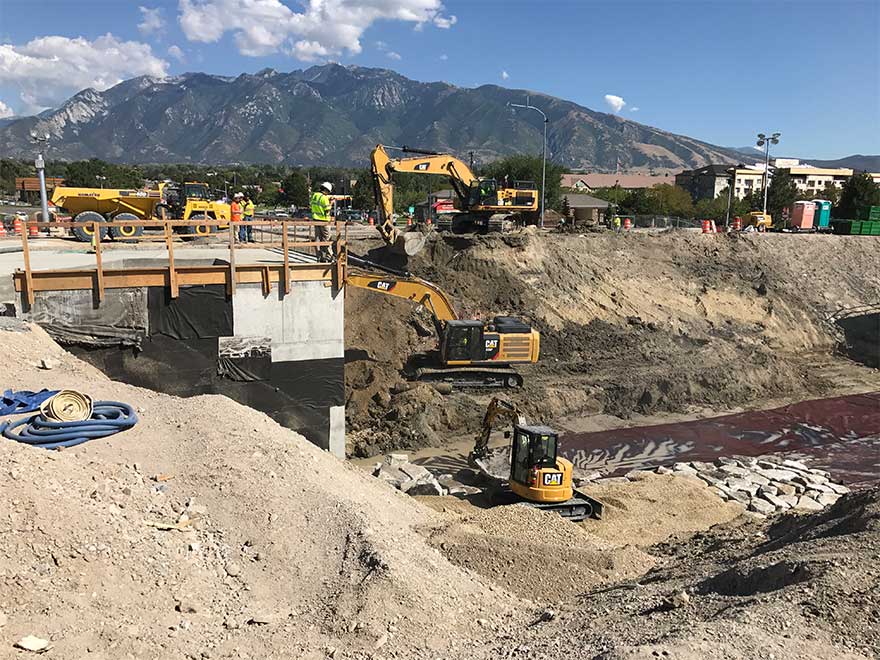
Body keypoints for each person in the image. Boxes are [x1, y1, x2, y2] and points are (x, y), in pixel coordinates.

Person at [310, 181, 334, 262]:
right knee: (327, 239)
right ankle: (329, 256)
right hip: (324, 221)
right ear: (326, 190)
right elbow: (327, 210)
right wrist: (331, 203)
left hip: (315, 220)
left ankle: (319, 256)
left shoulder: (314, 195)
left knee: (317, 239)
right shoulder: (324, 198)